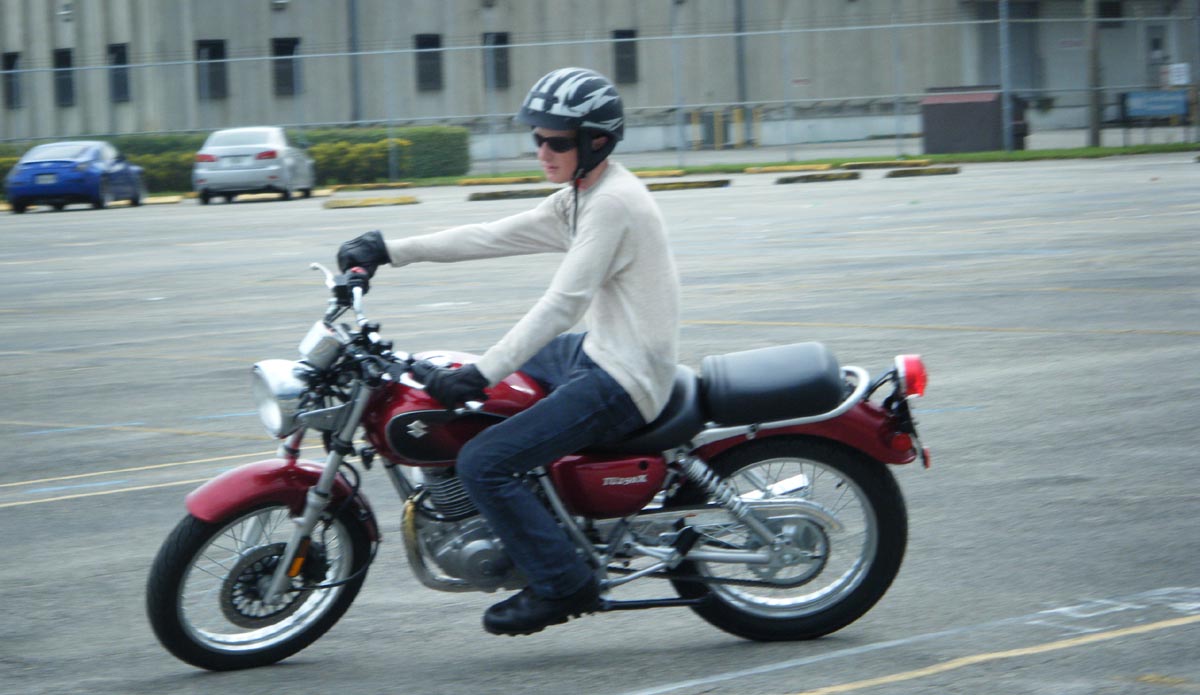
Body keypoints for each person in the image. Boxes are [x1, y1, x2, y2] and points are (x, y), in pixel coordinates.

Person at [336, 67, 680, 636]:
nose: (542, 151)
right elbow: (492, 235)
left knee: (485, 461)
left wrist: (481, 372)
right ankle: (541, 513)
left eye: (556, 142)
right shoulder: (581, 196)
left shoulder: (613, 204)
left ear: (596, 142)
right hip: (598, 350)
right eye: (537, 138)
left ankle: (562, 583)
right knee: (482, 397)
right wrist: (388, 250)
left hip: (626, 376)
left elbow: (562, 304)